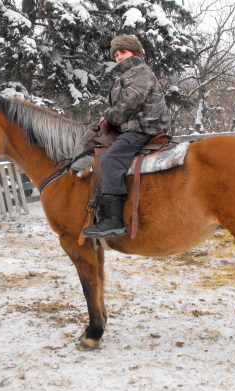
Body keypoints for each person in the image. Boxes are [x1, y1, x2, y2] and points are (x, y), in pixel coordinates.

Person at [83, 35, 170, 239]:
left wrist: (108, 117)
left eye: (123, 52)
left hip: (144, 128)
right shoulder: (124, 76)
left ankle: (113, 221)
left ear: (135, 53)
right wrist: (101, 122)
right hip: (130, 126)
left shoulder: (140, 72)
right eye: (116, 54)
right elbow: (118, 108)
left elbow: (130, 104)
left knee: (111, 158)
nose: (119, 57)